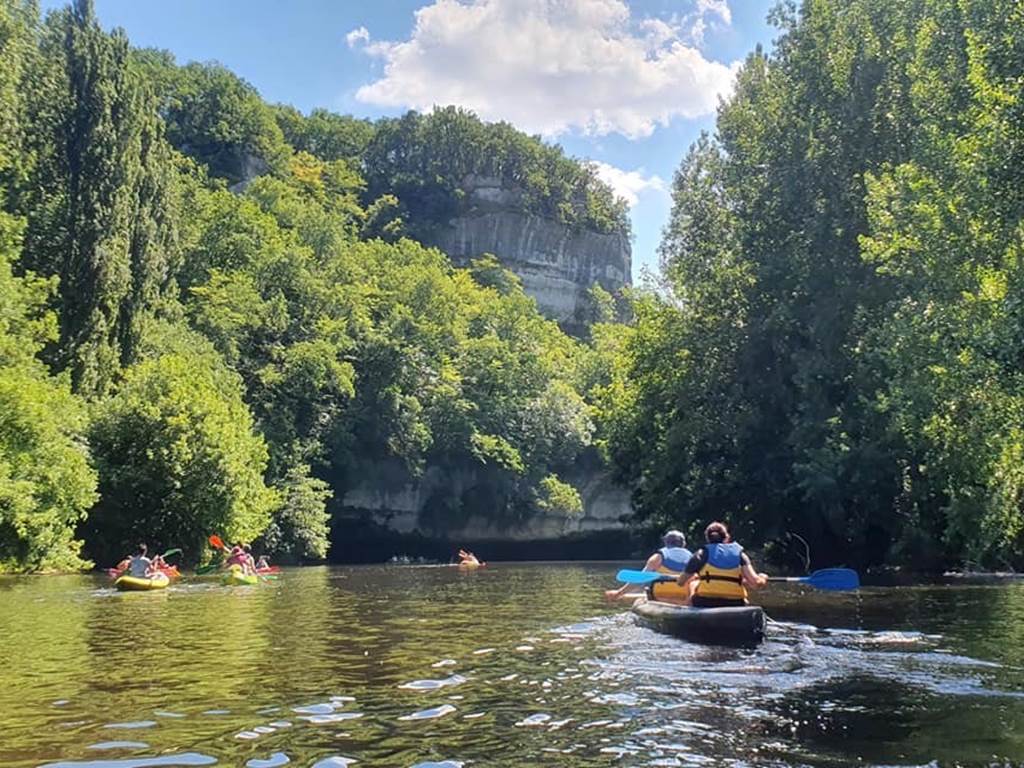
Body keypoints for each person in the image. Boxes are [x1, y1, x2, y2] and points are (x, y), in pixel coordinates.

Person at [677, 521, 767, 607]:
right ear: (727, 537)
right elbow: (756, 583)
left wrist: (695, 578)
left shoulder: (700, 554)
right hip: (735, 603)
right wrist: (762, 577)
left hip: (705, 602)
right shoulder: (740, 555)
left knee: (693, 583)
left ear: (707, 538)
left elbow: (681, 582)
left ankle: (690, 613)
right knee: (745, 599)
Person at [605, 530, 693, 604]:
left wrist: (618, 593)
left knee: (645, 592)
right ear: (683, 544)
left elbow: (640, 579)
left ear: (666, 542)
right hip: (684, 595)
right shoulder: (693, 558)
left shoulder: (658, 557)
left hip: (659, 595)